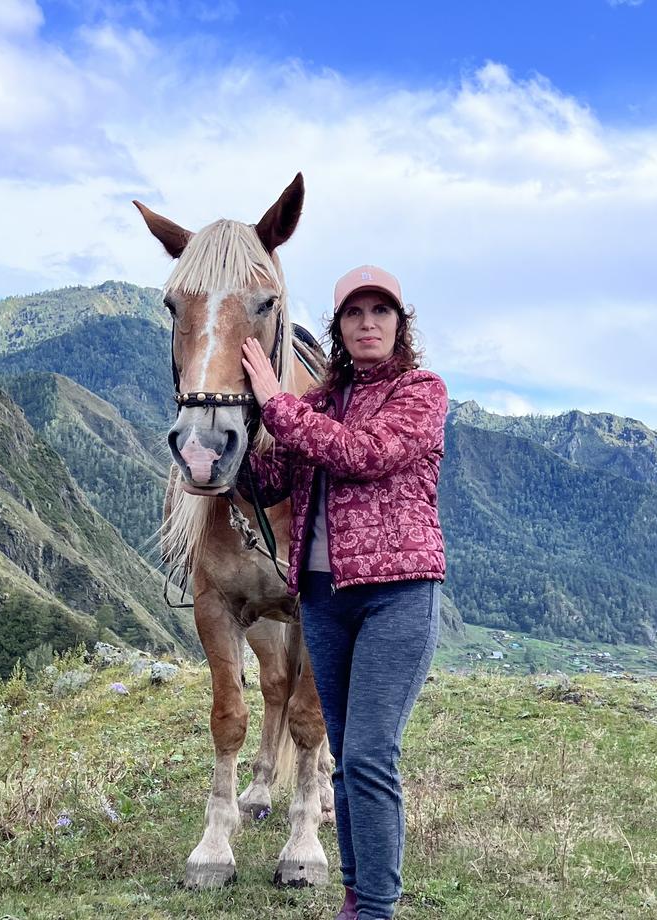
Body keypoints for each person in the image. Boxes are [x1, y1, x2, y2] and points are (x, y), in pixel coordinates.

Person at [240, 265, 448, 920]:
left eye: (379, 311)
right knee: (342, 759)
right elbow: (271, 480)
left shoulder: (422, 393)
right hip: (325, 598)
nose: (367, 323)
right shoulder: (320, 406)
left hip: (397, 595)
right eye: (353, 314)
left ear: (399, 323)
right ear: (339, 329)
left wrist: (277, 401)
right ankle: (357, 899)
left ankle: (378, 910)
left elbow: (362, 454)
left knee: (368, 755)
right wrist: (234, 422)